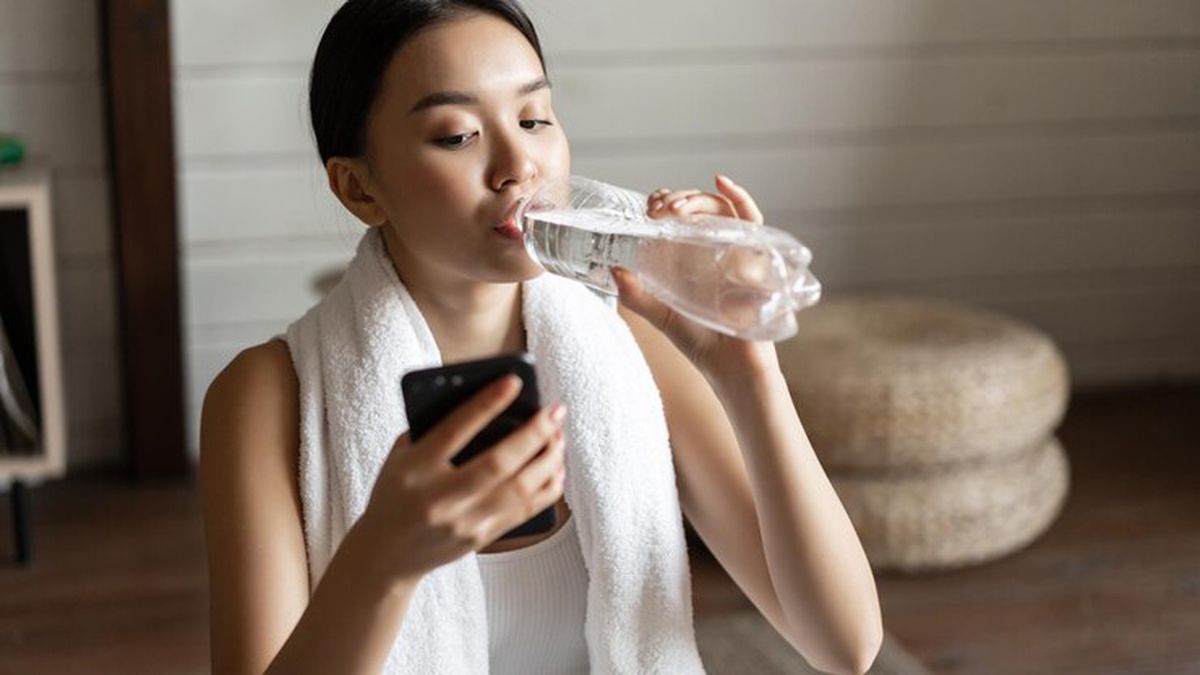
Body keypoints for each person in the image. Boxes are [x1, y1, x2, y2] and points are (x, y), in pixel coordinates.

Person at [198, 1, 882, 674]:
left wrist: (747, 368)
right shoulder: (265, 396)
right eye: (457, 135)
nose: (519, 165)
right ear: (358, 188)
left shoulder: (630, 345)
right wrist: (384, 559)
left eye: (533, 119)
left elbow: (845, 646)